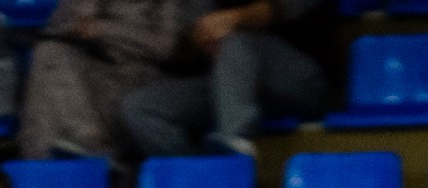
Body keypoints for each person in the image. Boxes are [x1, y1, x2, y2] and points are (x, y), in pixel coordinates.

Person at [117, 0, 339, 158]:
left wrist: (234, 19)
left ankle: (237, 141)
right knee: (142, 108)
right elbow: (184, 50)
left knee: (235, 41)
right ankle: (203, 185)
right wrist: (199, 39)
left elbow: (286, 7)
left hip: (302, 83)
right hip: (230, 85)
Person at [19, 0, 190, 162]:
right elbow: (68, 26)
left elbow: (169, 47)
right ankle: (39, 162)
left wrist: (102, 28)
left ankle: (92, 149)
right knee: (49, 54)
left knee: (124, 76)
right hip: (94, 62)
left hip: (142, 74)